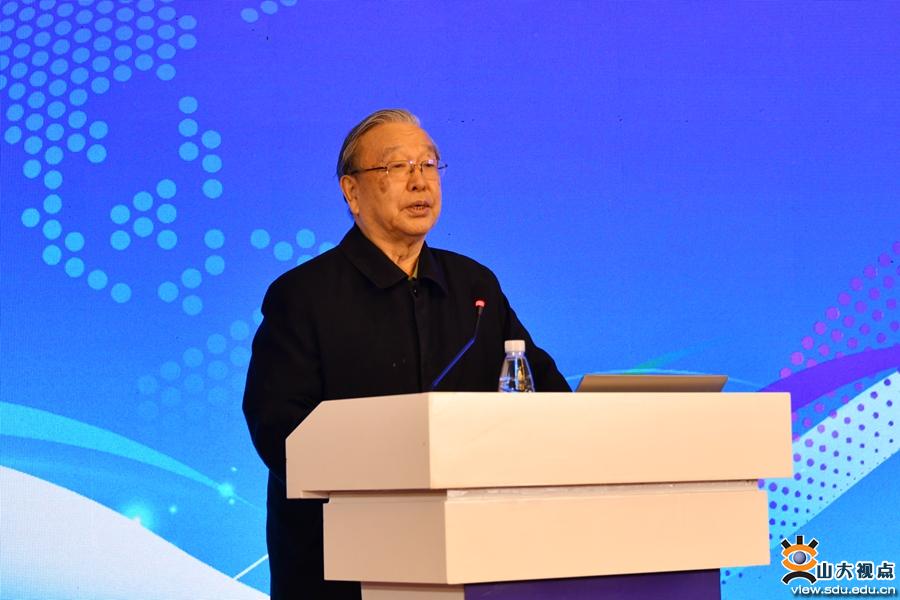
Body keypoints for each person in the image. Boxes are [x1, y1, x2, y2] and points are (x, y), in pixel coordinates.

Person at [243, 109, 570, 599]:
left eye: (429, 165)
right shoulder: (303, 296)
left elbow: (544, 390)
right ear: (352, 192)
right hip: (339, 570)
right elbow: (279, 429)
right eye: (397, 167)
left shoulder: (474, 288)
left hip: (472, 560)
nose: (420, 182)